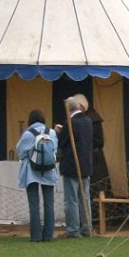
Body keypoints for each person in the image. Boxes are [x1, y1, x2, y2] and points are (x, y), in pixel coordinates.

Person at [14, 109, 57, 242]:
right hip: (49, 170)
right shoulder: (52, 132)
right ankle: (49, 235)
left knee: (34, 203)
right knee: (49, 203)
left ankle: (36, 235)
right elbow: (54, 149)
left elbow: (20, 152)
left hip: (31, 171)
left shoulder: (27, 134)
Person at [56, 93, 93, 238]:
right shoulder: (88, 121)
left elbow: (62, 143)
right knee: (85, 198)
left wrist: (59, 131)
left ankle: (73, 229)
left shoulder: (71, 123)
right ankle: (87, 227)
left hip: (72, 166)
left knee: (71, 200)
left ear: (69, 110)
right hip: (86, 165)